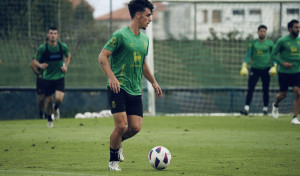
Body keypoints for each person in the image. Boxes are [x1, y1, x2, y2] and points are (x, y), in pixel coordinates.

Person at [98, 0, 162, 171]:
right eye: (148, 15)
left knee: (135, 127)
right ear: (138, 15)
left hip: (135, 89)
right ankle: (113, 161)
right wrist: (112, 78)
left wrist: (154, 82)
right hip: (118, 87)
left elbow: (142, 64)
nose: (150, 19)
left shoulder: (144, 39)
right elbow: (102, 57)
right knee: (121, 126)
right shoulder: (120, 36)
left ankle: (117, 143)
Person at [34, 26, 71, 128]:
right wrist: (40, 65)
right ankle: (49, 120)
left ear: (57, 35)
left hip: (59, 77)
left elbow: (68, 56)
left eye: (55, 33)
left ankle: (56, 108)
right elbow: (35, 61)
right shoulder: (43, 48)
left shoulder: (62, 46)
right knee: (49, 100)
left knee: (59, 99)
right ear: (48, 35)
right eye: (51, 33)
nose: (53, 35)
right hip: (47, 78)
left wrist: (65, 66)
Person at [240, 25, 276, 116]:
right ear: (258, 32)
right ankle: (246, 108)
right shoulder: (253, 43)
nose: (262, 33)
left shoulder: (270, 43)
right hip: (255, 69)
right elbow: (248, 55)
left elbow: (273, 56)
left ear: (266, 33)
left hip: (266, 69)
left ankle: (265, 109)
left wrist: (274, 66)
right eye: (261, 31)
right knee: (250, 88)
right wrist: (244, 66)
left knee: (266, 89)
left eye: (264, 31)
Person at [271, 19, 300, 125]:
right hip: (284, 72)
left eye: (299, 27)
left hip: (297, 71)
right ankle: (275, 104)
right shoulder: (282, 41)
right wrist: (282, 63)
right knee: (283, 94)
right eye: (296, 27)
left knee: (297, 92)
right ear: (290, 29)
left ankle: (295, 117)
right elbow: (273, 55)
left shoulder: (299, 40)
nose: (298, 29)